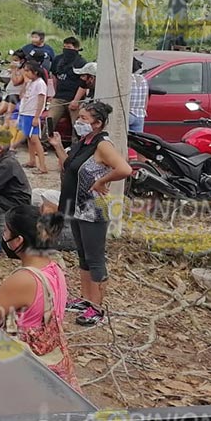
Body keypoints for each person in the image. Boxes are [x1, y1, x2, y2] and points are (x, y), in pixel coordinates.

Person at [48, 101, 132, 327]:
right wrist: (57, 146)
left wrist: (102, 181)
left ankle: (97, 308)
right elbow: (69, 167)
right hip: (76, 207)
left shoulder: (102, 145)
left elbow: (124, 169)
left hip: (93, 209)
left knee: (95, 259)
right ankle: (86, 300)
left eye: (84, 118)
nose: (79, 122)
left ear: (97, 123)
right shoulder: (83, 142)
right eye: (79, 117)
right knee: (83, 256)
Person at [0, 205, 78, 388]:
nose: (3, 236)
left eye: (6, 231)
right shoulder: (55, 268)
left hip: (20, 369)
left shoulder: (24, 280)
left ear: (18, 240)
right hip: (47, 364)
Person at [47, 37, 86, 134]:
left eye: (68, 47)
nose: (66, 50)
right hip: (59, 97)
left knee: (77, 124)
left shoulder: (81, 62)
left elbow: (84, 84)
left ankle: (77, 142)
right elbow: (54, 76)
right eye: (64, 47)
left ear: (76, 48)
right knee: (50, 120)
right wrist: (54, 93)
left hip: (74, 98)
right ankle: (44, 140)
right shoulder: (58, 59)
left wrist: (76, 100)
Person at [18, 61, 49, 173]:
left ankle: (42, 166)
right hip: (25, 112)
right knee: (29, 138)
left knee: (35, 140)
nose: (25, 73)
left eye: (27, 71)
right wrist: (25, 84)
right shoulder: (30, 82)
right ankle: (32, 160)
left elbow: (41, 101)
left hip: (32, 114)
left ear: (35, 72)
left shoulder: (40, 83)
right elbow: (21, 96)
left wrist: (36, 117)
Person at [0, 52, 25, 130]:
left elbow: (16, 82)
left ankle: (3, 133)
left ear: (22, 61)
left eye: (16, 60)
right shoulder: (16, 69)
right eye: (12, 60)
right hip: (9, 94)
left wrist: (13, 70)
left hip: (15, 95)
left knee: (7, 116)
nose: (13, 62)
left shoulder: (23, 70)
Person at [128, 58, 149, 133]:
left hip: (129, 113)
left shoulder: (127, 79)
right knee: (137, 138)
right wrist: (144, 110)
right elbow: (146, 98)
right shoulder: (143, 79)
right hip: (140, 114)